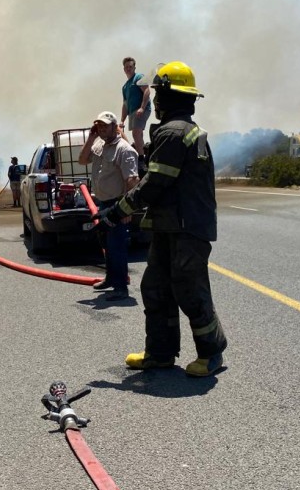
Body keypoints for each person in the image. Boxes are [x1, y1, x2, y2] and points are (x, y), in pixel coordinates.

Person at [93, 61, 228, 377]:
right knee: (156, 287)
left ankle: (211, 352)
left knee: (190, 289)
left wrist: (116, 213)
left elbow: (153, 184)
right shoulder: (178, 132)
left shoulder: (174, 132)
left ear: (169, 97)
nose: (154, 101)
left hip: (185, 227)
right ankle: (160, 353)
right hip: (173, 225)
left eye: (157, 93)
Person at [78, 111, 140, 302]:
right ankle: (110, 279)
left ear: (115, 126)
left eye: (106, 125)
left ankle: (120, 288)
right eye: (99, 126)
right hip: (102, 203)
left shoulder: (125, 149)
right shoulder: (98, 144)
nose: (103, 128)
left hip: (117, 204)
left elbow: (132, 180)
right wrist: (90, 138)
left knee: (117, 245)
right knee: (106, 243)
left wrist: (127, 208)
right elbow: (82, 160)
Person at [120, 57, 152, 157]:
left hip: (142, 109)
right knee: (138, 134)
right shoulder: (125, 87)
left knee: (136, 133)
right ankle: (143, 154)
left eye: (130, 66)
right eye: (126, 67)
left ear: (134, 67)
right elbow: (125, 104)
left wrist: (142, 107)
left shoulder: (138, 77)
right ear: (124, 69)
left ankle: (141, 159)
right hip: (132, 112)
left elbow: (147, 91)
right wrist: (122, 120)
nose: (128, 69)